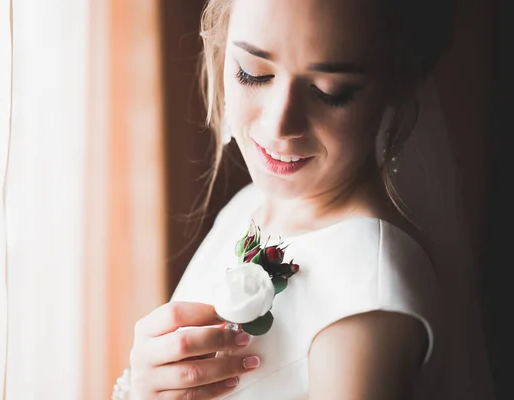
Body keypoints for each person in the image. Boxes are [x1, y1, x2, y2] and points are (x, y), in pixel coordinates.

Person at [114, 0, 494, 399]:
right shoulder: (249, 207)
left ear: (395, 87)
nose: (280, 125)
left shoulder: (364, 297)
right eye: (253, 73)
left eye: (330, 92)